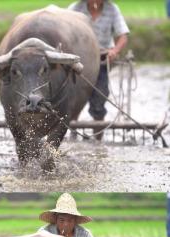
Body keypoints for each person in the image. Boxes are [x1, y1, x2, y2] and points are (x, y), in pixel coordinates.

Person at [69, 0, 130, 138]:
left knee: (99, 98)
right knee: (74, 98)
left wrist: (114, 51)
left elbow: (123, 36)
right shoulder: (74, 8)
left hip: (101, 60)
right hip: (78, 60)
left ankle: (98, 138)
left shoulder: (112, 9)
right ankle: (73, 134)